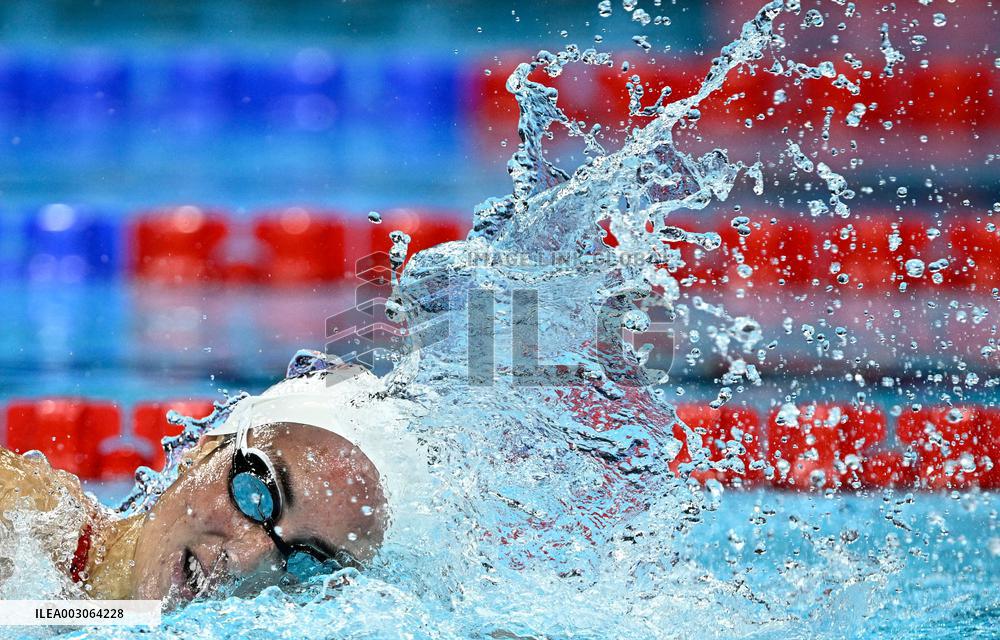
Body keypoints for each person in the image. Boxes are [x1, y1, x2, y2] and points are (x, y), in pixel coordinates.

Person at [0, 357, 427, 603]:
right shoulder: (22, 524)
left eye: (307, 561)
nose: (248, 558)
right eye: (259, 495)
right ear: (201, 451)